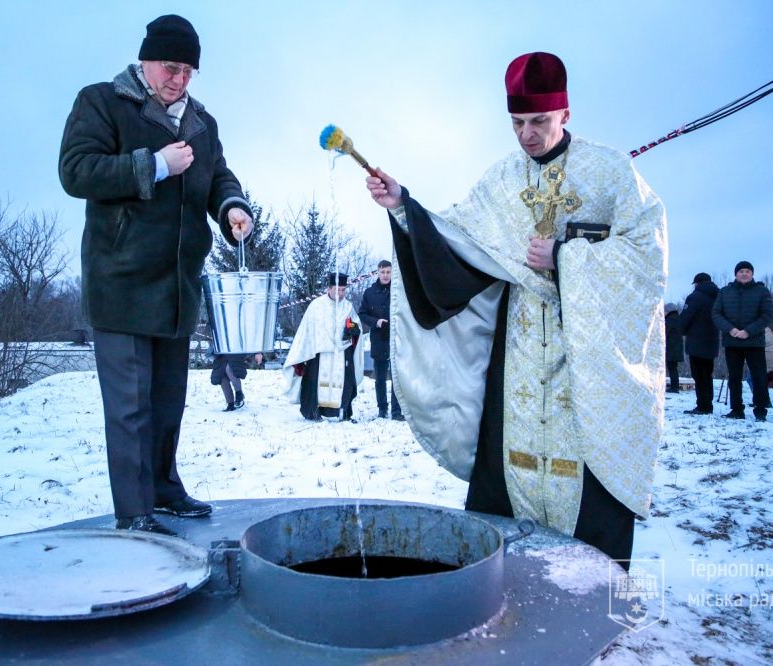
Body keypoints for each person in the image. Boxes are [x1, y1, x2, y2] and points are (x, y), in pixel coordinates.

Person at [365, 52, 666, 565]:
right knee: (505, 470)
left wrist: (566, 256)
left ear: (565, 114)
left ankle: (594, 588)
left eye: (539, 122)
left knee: (589, 471)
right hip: (520, 352)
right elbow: (458, 239)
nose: (527, 135)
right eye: (518, 123)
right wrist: (403, 207)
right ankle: (506, 578)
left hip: (587, 360)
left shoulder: (611, 172)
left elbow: (648, 253)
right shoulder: (503, 179)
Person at [59, 15, 254, 535]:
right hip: (120, 283)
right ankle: (135, 511)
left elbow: (219, 176)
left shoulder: (201, 123)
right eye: (172, 68)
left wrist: (232, 206)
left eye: (190, 71)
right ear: (146, 60)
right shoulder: (102, 102)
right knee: (130, 409)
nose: (180, 80)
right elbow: (76, 171)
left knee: (169, 403)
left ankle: (164, 489)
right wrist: (155, 165)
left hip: (176, 287)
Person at [284, 273, 365, 422]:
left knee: (345, 383)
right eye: (337, 290)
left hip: (341, 353)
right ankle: (314, 412)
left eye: (343, 290)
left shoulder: (347, 306)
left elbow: (355, 325)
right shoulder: (316, 305)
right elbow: (306, 330)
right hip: (319, 353)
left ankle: (343, 412)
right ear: (329, 288)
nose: (340, 294)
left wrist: (352, 328)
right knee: (315, 384)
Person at [711, 261, 773, 422]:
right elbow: (716, 313)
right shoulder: (725, 292)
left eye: (747, 271)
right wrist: (730, 330)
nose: (744, 273)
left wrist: (748, 331)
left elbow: (767, 315)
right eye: (741, 271)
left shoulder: (762, 291)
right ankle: (737, 409)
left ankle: (760, 410)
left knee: (759, 376)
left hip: (754, 341)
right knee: (734, 377)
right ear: (736, 274)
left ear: (752, 274)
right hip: (732, 342)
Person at [358, 260, 404, 420]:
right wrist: (375, 322)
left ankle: (397, 411)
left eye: (388, 272)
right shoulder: (369, 293)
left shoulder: (399, 291)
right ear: (377, 272)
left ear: (392, 273)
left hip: (397, 338)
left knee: (397, 378)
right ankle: (382, 409)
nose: (385, 275)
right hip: (378, 338)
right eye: (383, 272)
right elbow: (362, 314)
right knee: (380, 378)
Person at [678, 273, 720, 415]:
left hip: (696, 341)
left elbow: (685, 317)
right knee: (708, 373)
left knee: (699, 374)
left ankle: (703, 405)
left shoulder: (694, 297)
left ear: (697, 283)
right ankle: (708, 402)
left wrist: (681, 330)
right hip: (712, 340)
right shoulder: (718, 296)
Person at [664, 303, 683, 393]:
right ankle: (674, 386)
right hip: (676, 348)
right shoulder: (677, 318)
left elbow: (664, 332)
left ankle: (674, 387)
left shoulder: (670, 320)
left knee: (672, 368)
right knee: (673, 368)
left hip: (671, 348)